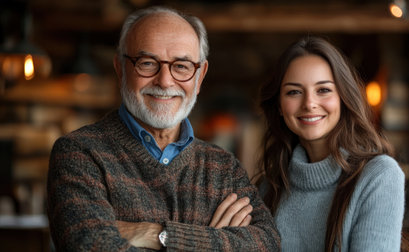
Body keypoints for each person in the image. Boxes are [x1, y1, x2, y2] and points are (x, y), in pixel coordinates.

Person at [46, 6, 280, 251]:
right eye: (147, 63)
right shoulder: (79, 153)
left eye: (181, 66)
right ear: (120, 69)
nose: (165, 81)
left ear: (199, 77)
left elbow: (268, 243)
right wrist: (210, 240)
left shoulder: (223, 167)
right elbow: (91, 246)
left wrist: (158, 234)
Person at [257, 36, 406, 251]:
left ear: (343, 98)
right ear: (279, 106)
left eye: (323, 90)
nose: (309, 103)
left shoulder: (379, 175)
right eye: (294, 92)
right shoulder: (269, 186)